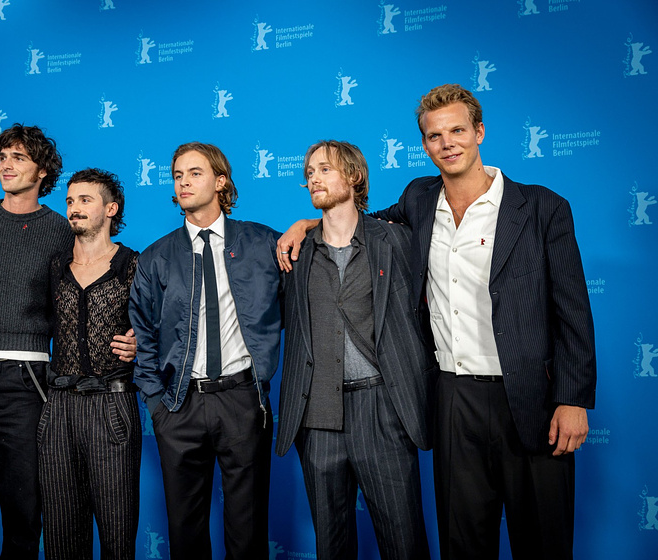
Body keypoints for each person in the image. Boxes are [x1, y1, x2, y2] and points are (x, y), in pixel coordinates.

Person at [277, 84, 596, 560]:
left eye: (457, 131)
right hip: (451, 398)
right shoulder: (419, 200)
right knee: (463, 540)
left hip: (529, 396)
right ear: (425, 144)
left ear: (479, 132)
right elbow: (354, 223)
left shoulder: (543, 207)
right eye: (434, 136)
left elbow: (572, 312)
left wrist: (571, 399)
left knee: (543, 539)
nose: (447, 143)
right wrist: (305, 224)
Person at [0, 124, 134, 559]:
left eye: (18, 157)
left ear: (42, 171)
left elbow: (90, 292)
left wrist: (131, 341)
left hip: (27, 383)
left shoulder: (62, 230)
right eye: (2, 156)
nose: (6, 164)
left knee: (25, 513)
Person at [276, 140, 434, 560]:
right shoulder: (292, 253)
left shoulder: (397, 241)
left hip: (384, 408)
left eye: (325, 170)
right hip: (318, 416)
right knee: (332, 545)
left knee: (404, 541)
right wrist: (304, 227)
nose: (314, 178)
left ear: (353, 177)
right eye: (309, 172)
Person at [129, 142, 282, 559]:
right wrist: (157, 403)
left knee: (247, 527)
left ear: (220, 181)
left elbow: (298, 307)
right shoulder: (156, 257)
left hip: (242, 401)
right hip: (180, 404)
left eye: (194, 173)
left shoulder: (263, 243)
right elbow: (142, 333)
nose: (183, 182)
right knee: (184, 528)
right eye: (177, 175)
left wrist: (303, 225)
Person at [38, 168, 140, 559]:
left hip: (112, 406)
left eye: (85, 200)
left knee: (117, 535)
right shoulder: (53, 268)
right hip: (58, 407)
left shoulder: (134, 264)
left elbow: (163, 326)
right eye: (69, 200)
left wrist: (140, 346)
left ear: (111, 208)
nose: (74, 208)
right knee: (61, 536)